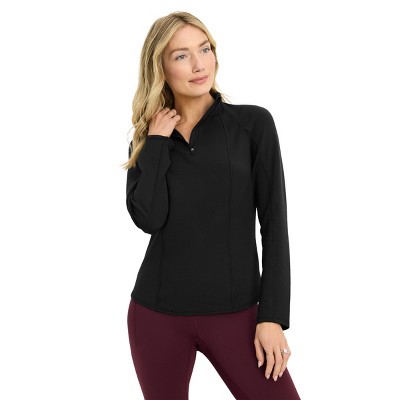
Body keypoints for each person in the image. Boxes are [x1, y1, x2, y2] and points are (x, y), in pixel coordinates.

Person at [122, 11, 301, 400]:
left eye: (204, 49)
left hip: (238, 316)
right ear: (160, 67)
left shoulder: (252, 125)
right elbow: (148, 218)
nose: (199, 64)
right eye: (181, 55)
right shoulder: (148, 140)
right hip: (157, 316)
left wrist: (272, 317)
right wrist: (156, 143)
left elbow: (274, 224)